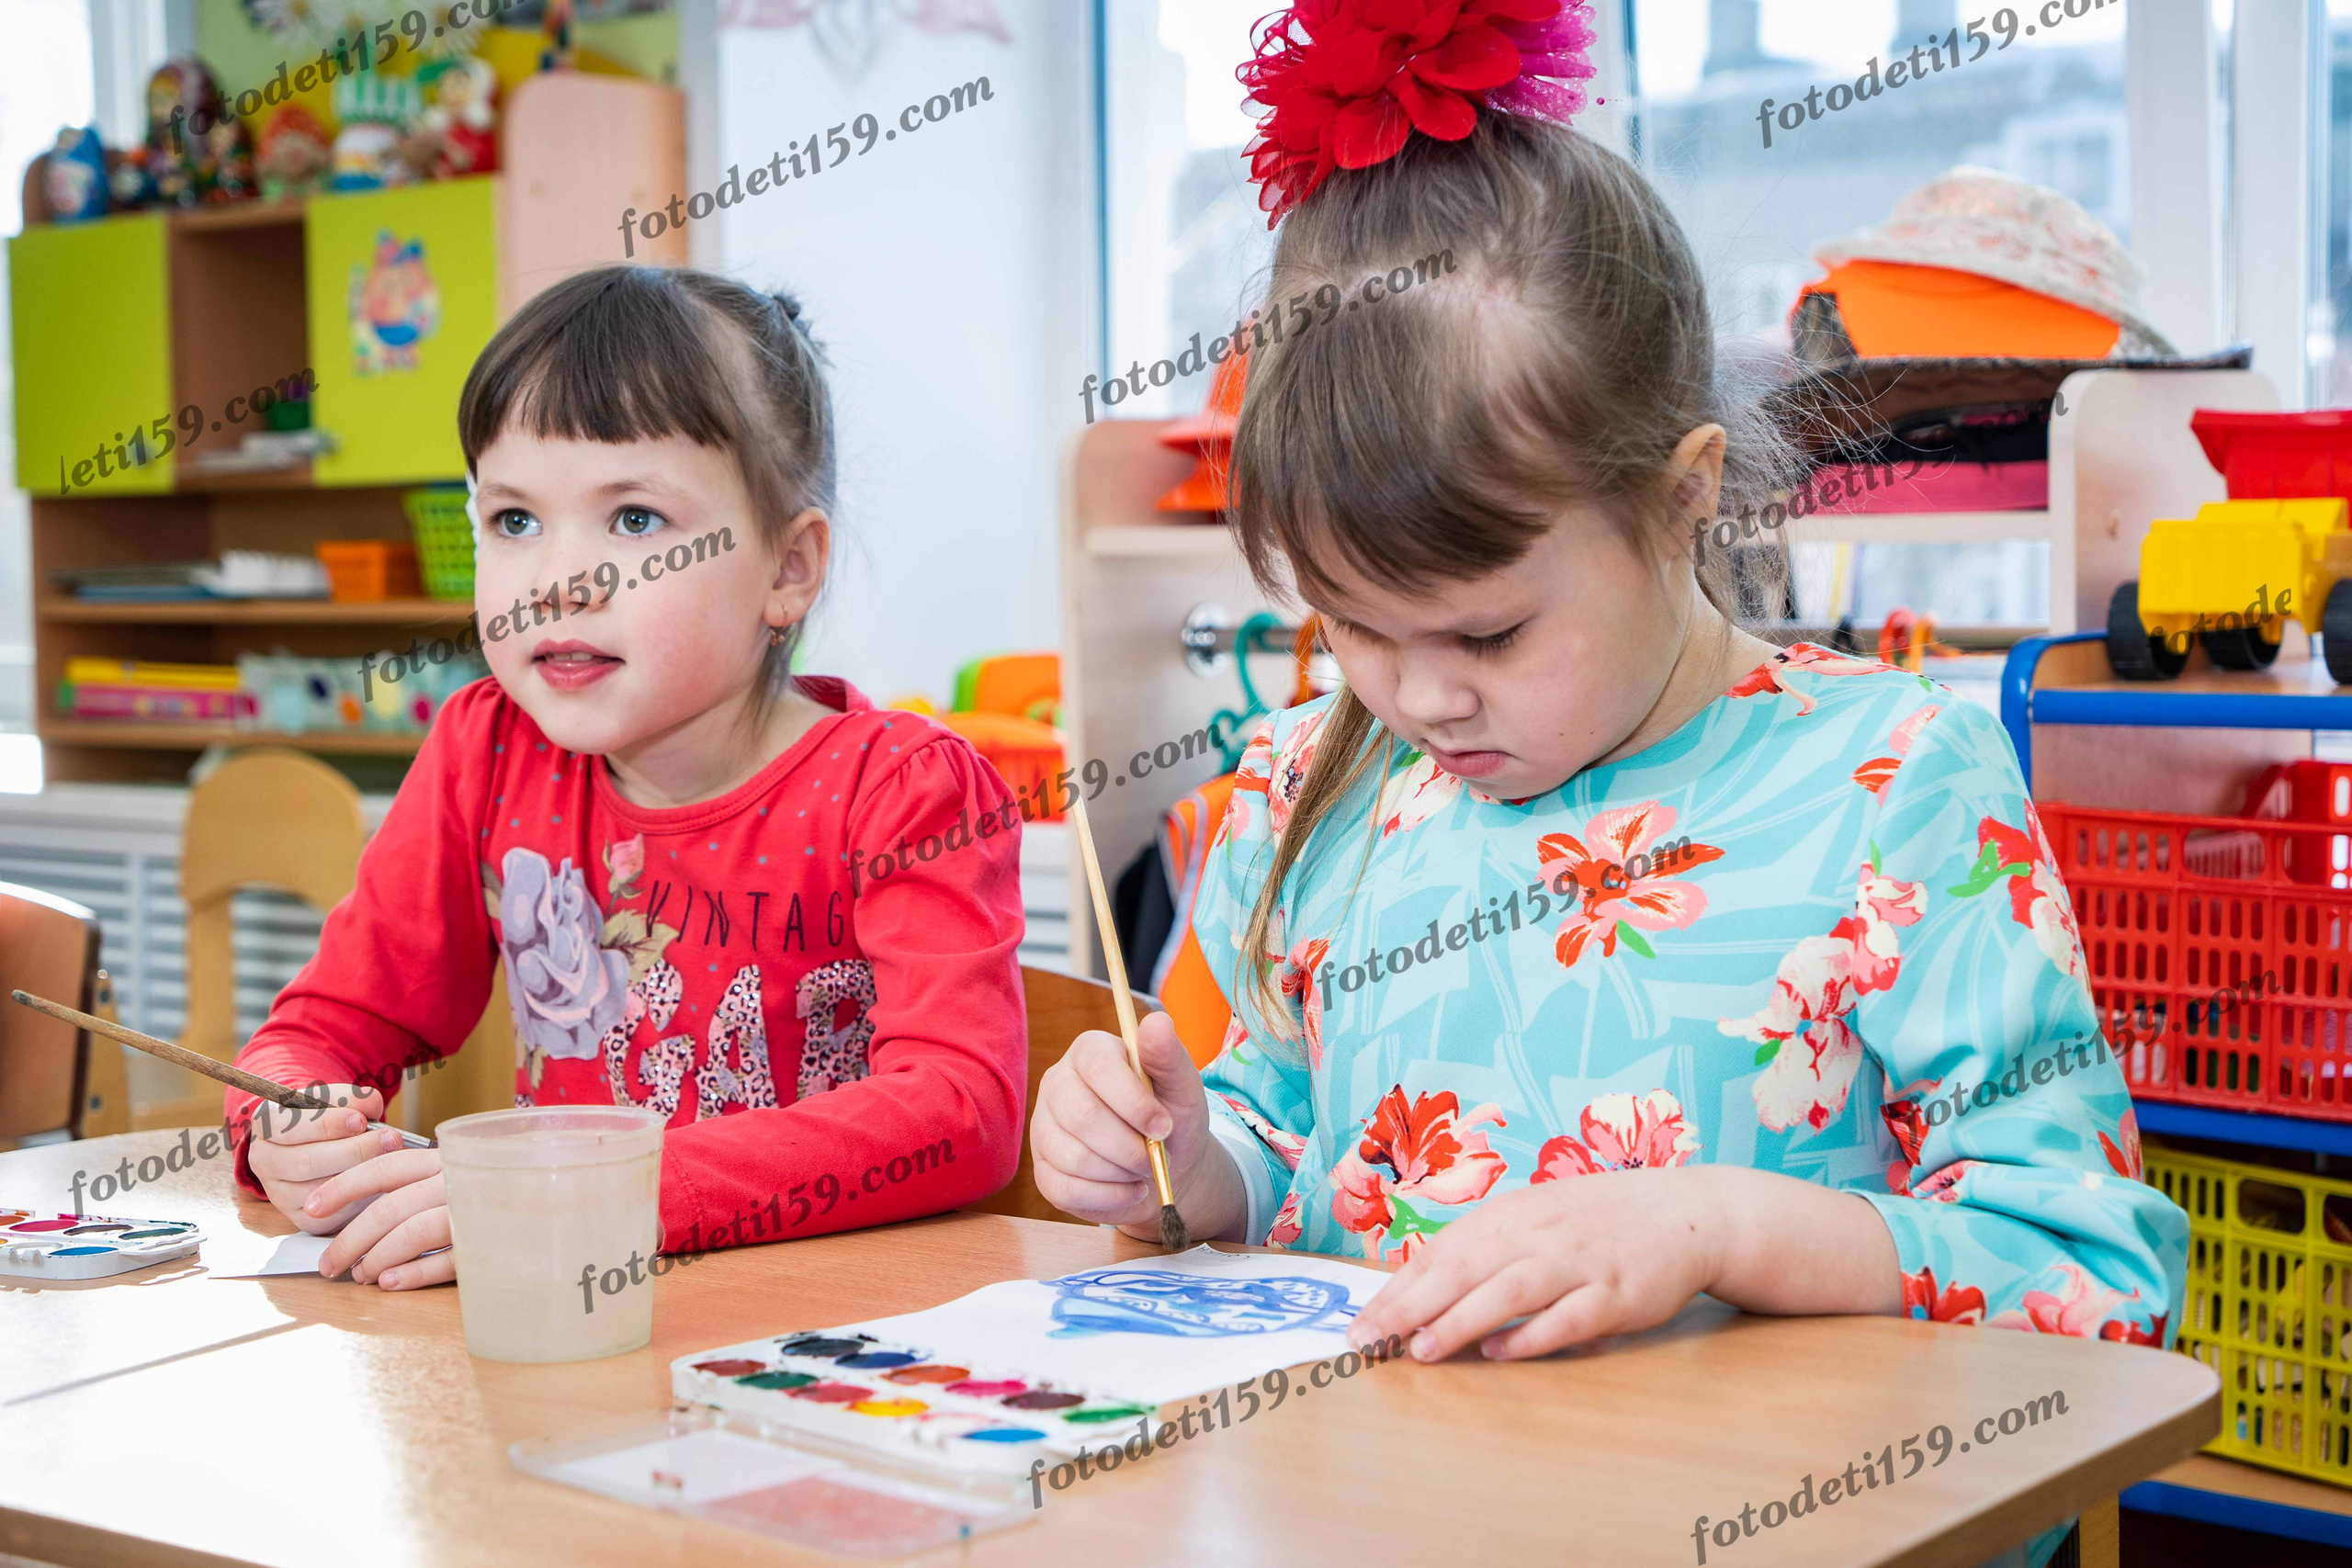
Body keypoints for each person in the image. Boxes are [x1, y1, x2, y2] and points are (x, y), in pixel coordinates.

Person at [1030, 0, 2181, 1424]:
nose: (1420, 695)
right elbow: (1283, 1142)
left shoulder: (1894, 786)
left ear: (1685, 489)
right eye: (1355, 626)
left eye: (1490, 627)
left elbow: (2095, 1269)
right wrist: (1183, 1166)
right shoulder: (1304, 790)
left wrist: (1715, 1226)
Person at [230, 265, 1027, 1289]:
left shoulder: (906, 789)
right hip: (569, 1322)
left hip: (824, 1345)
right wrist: (283, 1126)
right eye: (514, 520)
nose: (558, 581)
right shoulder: (488, 748)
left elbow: (961, 1111)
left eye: (635, 520)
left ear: (787, 569)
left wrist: (616, 1194)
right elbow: (330, 1027)